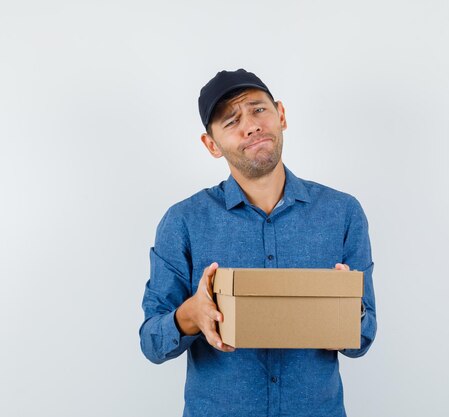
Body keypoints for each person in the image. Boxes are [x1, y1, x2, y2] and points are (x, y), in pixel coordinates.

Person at [139, 69, 377, 417]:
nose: (250, 125)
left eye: (258, 110)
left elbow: (364, 338)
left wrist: (346, 311)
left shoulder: (343, 213)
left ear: (281, 115)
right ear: (211, 145)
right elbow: (151, 342)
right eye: (231, 121)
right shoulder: (183, 221)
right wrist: (191, 315)